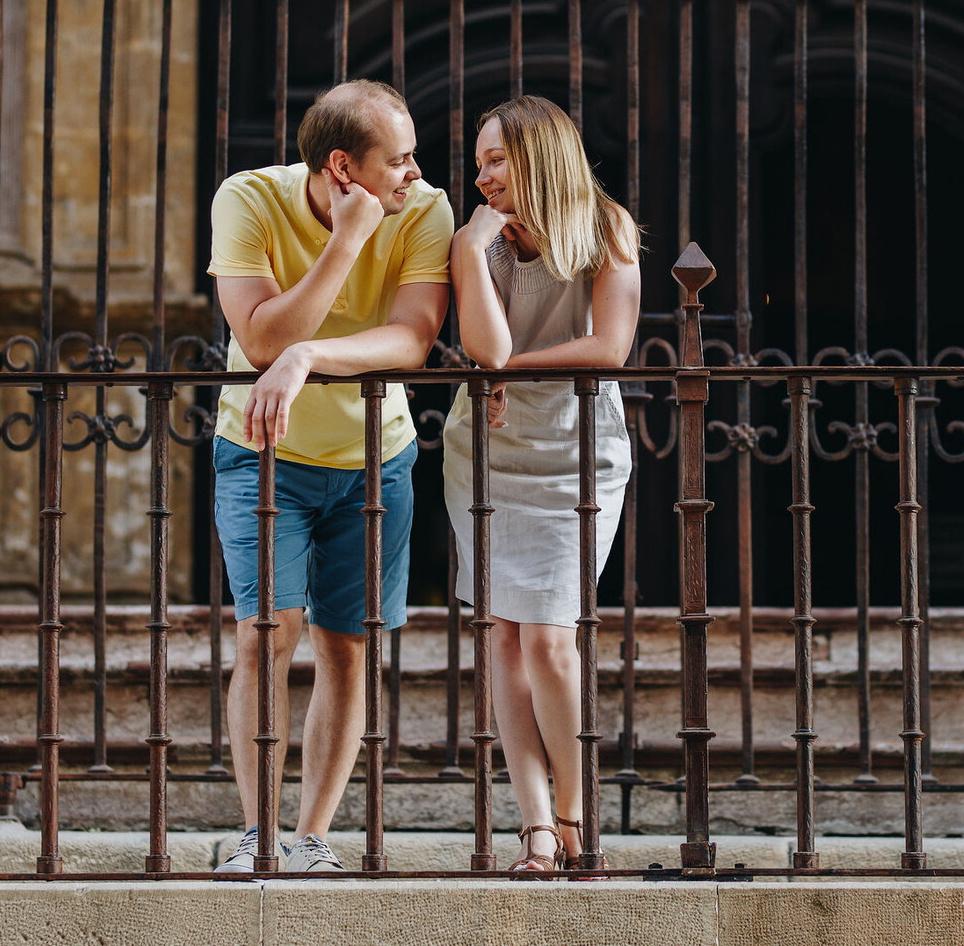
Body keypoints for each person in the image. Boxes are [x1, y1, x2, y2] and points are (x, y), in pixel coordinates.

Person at [208, 79, 453, 873]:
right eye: (402, 159)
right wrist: (346, 242)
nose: (416, 173)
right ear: (344, 168)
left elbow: (412, 339)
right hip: (260, 450)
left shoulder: (425, 209)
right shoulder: (247, 199)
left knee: (346, 649)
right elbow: (258, 340)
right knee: (264, 634)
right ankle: (257, 834)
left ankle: (311, 837)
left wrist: (309, 356)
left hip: (374, 460)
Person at [442, 94, 640, 871]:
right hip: (486, 452)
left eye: (497, 159)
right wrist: (469, 250)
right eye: (480, 161)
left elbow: (610, 346)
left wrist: (510, 372)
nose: (483, 174)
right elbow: (482, 346)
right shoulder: (476, 240)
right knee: (503, 639)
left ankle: (574, 813)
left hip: (576, 453)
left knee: (553, 641)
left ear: (538, 156)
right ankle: (531, 827)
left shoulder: (605, 227)